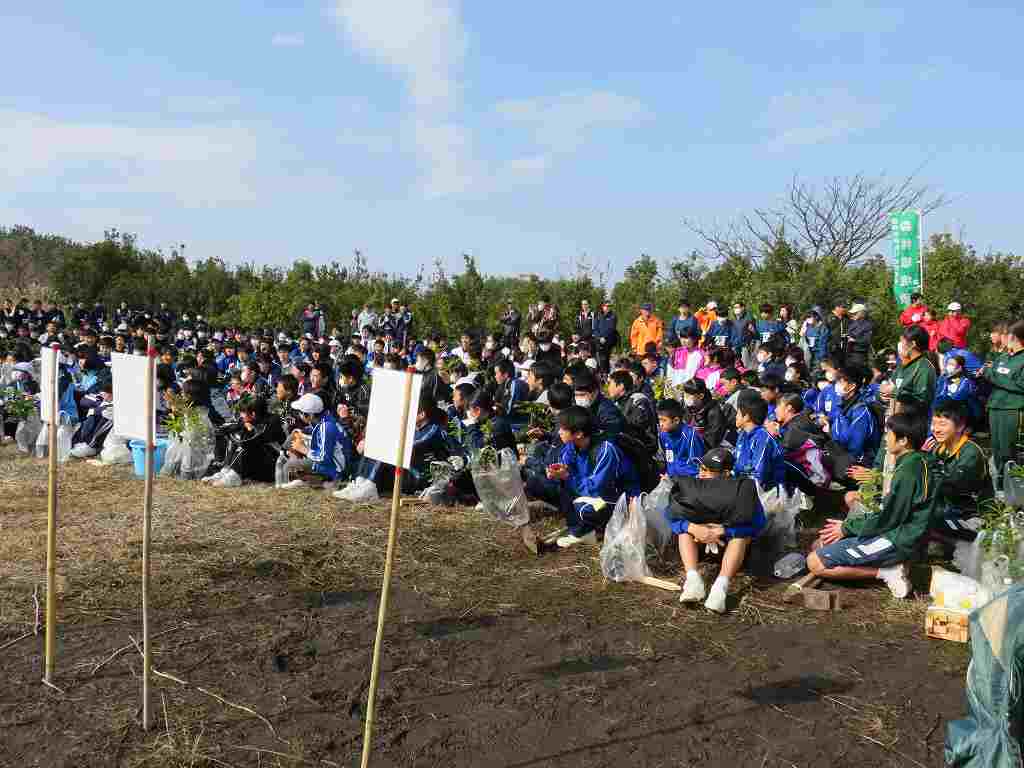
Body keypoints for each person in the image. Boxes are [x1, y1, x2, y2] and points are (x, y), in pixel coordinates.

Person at [807, 413, 937, 599]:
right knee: (818, 544)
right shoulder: (917, 461)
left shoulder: (908, 471)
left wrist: (847, 527)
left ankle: (886, 572)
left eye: (888, 434)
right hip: (900, 533)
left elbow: (888, 518)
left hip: (897, 539)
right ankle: (889, 565)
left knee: (815, 562)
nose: (885, 438)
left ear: (903, 441)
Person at [670, 447, 765, 613]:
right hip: (699, 543)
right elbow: (672, 515)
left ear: (726, 473)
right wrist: (694, 528)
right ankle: (693, 580)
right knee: (684, 531)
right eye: (701, 468)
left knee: (742, 536)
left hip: (728, 545)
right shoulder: (693, 486)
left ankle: (720, 587)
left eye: (708, 470)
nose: (702, 474)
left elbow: (757, 524)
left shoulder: (742, 489)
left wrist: (723, 530)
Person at [545, 406, 639, 548]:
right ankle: (581, 529)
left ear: (578, 434)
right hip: (591, 490)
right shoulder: (572, 446)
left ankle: (586, 532)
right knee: (547, 485)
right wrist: (557, 472)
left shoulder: (606, 450)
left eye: (563, 429)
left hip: (619, 497)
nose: (559, 432)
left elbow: (596, 488)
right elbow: (567, 467)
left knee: (584, 508)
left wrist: (567, 476)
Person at [926, 401, 991, 539]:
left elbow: (952, 485)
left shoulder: (971, 453)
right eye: (934, 423)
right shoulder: (939, 448)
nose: (935, 429)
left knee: (923, 521)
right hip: (949, 508)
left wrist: (926, 461)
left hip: (970, 515)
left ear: (960, 426)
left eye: (942, 424)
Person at [204, 396, 287, 486]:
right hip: (258, 465)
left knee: (246, 446)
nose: (240, 415)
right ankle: (226, 471)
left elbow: (247, 442)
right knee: (235, 440)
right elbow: (230, 428)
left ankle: (234, 476)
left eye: (243, 412)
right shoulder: (250, 420)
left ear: (253, 414)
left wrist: (250, 429)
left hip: (274, 467)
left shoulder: (272, 422)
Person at [981, 319, 1024, 488]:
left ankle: (1014, 489)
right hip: (995, 407)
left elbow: (1020, 385)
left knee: (1009, 451)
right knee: (997, 450)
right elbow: (991, 372)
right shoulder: (1003, 357)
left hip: (1013, 409)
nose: (1005, 339)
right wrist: (992, 375)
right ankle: (999, 486)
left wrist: (995, 376)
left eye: (1009, 336)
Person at [280, 393, 349, 490]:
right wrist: (302, 434)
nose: (299, 415)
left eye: (300, 412)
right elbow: (315, 433)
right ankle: (311, 480)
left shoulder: (326, 427)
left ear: (309, 415)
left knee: (289, 466)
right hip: (333, 463)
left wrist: (304, 450)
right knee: (295, 439)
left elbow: (324, 458)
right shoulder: (323, 420)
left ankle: (325, 482)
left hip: (336, 469)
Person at [767, 392, 829, 495]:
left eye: (778, 406)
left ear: (789, 408)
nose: (775, 410)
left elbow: (781, 453)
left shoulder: (795, 428)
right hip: (817, 471)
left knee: (779, 464)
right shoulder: (800, 420)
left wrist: (772, 435)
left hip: (817, 479)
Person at [606, 370, 659, 492]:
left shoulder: (638, 400)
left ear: (621, 386)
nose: (608, 388)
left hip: (642, 456)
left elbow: (634, 429)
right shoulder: (617, 403)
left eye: (610, 384)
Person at [733, 395, 786, 492]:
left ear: (747, 417)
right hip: (743, 485)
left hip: (766, 494)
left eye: (738, 413)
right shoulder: (743, 434)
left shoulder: (762, 438)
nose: (735, 416)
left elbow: (759, 476)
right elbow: (736, 462)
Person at [882, 325, 937, 414]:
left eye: (902, 341)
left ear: (913, 344)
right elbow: (893, 386)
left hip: (913, 423)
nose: (900, 344)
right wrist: (883, 394)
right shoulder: (903, 364)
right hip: (897, 421)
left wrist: (895, 392)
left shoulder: (924, 368)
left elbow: (921, 400)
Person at [572, 368, 624, 443]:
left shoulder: (607, 410)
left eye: (582, 395)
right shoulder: (585, 406)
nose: (578, 399)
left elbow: (613, 436)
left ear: (595, 392)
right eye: (576, 395)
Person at [657, 398, 704, 478]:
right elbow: (667, 459)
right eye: (659, 420)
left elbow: (695, 466)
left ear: (676, 420)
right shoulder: (663, 435)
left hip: (688, 481)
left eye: (664, 420)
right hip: (671, 478)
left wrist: (676, 478)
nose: (660, 424)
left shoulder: (691, 435)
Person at [682, 378, 726, 449]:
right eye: (685, 394)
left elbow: (712, 440)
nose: (685, 398)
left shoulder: (714, 411)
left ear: (701, 396)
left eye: (689, 395)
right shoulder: (689, 408)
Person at [593, 300, 619, 372]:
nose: (608, 307)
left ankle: (607, 374)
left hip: (608, 342)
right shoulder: (598, 315)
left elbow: (611, 328)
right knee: (600, 360)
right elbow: (595, 328)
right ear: (603, 306)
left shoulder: (613, 316)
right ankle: (601, 374)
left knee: (607, 359)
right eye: (606, 306)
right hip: (599, 341)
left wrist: (604, 337)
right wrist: (599, 337)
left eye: (609, 306)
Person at [846, 303, 873, 369]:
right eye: (853, 313)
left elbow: (867, 340)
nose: (853, 315)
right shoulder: (852, 324)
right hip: (849, 354)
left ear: (862, 313)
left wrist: (854, 340)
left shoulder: (867, 325)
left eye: (855, 313)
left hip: (860, 355)